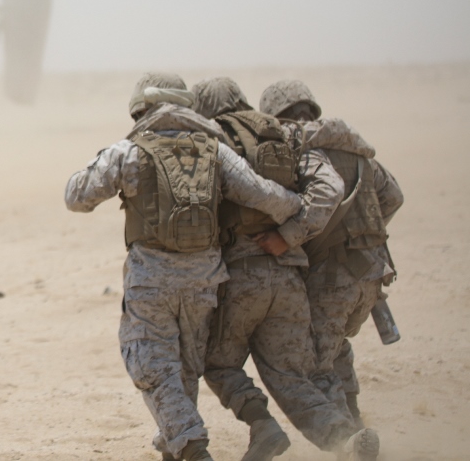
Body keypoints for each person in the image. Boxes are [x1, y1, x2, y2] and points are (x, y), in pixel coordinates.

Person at [64, 73, 303, 461]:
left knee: (150, 363)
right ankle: (177, 447)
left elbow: (76, 196)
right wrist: (299, 216)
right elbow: (265, 195)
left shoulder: (130, 150)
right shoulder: (214, 148)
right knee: (187, 368)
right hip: (205, 279)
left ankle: (191, 447)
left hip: (152, 280)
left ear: (142, 108)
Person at [191, 77, 372, 461]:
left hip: (242, 276)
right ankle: (346, 439)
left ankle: (263, 426)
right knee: (292, 374)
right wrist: (290, 235)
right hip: (290, 277)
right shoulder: (282, 136)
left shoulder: (212, 142)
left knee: (217, 362)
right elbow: (329, 190)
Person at [259, 80, 404, 460]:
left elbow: (328, 193)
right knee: (338, 347)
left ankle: (348, 439)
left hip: (333, 276)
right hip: (372, 272)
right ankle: (356, 419)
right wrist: (361, 233)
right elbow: (392, 195)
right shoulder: (354, 149)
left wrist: (289, 236)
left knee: (316, 363)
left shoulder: (304, 149)